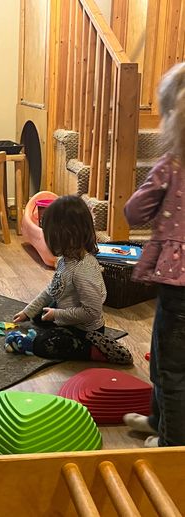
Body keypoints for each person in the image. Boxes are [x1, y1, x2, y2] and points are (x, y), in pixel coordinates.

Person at [123, 62, 185, 447]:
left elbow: (134, 212)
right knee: (168, 360)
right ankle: (160, 419)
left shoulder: (171, 166)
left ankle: (173, 444)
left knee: (170, 367)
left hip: (178, 287)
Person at [5, 195, 132, 365]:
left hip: (85, 331)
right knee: (39, 315)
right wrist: (29, 311)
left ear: (63, 236)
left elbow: (91, 313)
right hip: (67, 315)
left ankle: (95, 350)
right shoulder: (65, 260)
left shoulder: (83, 270)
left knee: (51, 343)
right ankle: (47, 327)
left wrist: (57, 314)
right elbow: (52, 289)